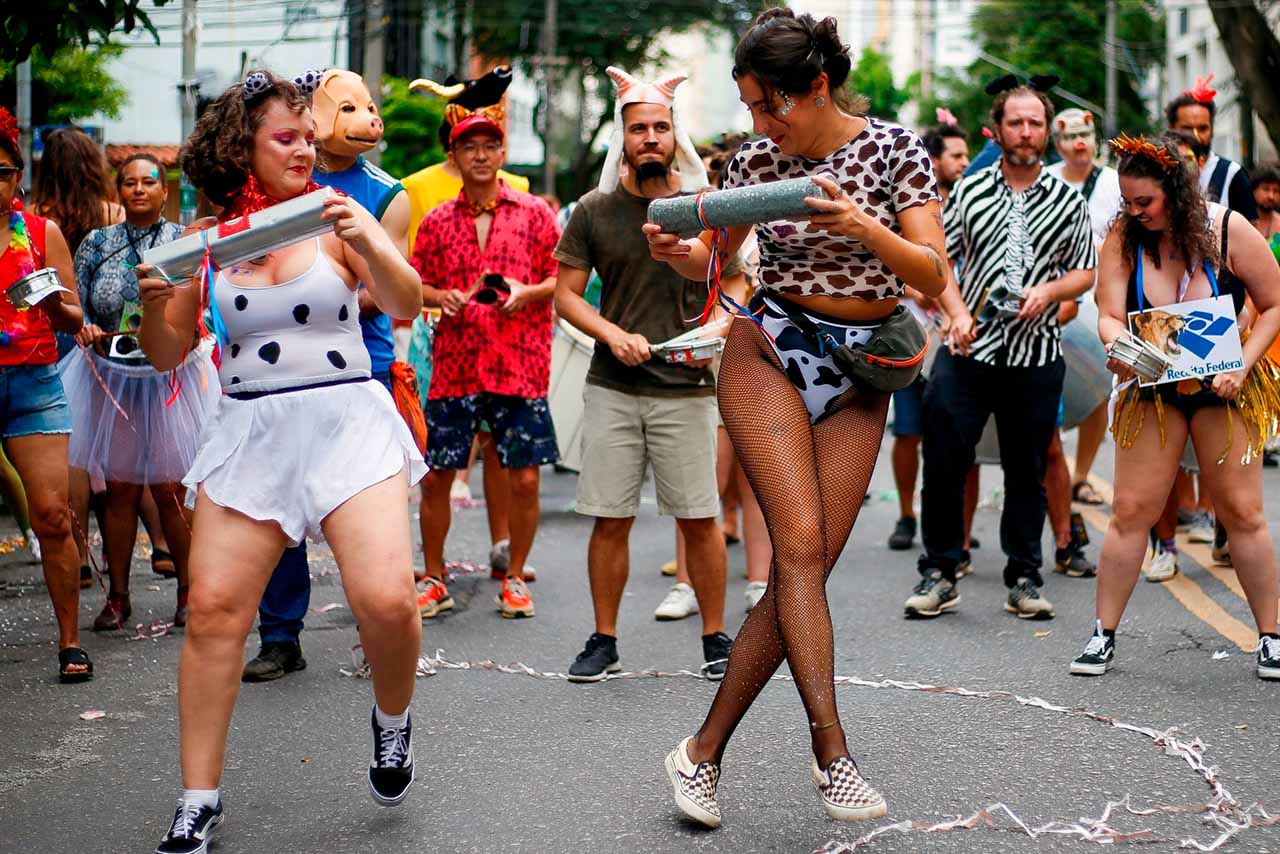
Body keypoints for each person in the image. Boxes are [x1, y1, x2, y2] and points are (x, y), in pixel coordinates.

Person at [645, 9, 948, 825]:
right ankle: (833, 754)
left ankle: (699, 754)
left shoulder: (894, 151)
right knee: (801, 550)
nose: (758, 122)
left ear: (817, 87)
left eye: (769, 104)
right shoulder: (754, 156)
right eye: (747, 106)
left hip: (862, 368)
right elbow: (719, 246)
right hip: (770, 347)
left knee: (802, 571)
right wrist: (687, 250)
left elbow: (930, 268)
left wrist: (860, 223)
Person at [135, 71, 425, 853]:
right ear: (242, 149)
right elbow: (166, 356)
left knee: (388, 600)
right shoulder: (203, 240)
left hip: (344, 419)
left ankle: (392, 722)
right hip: (251, 428)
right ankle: (199, 799)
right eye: (287, 138)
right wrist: (156, 298)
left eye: (308, 135)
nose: (307, 148)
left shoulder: (334, 215)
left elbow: (406, 302)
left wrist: (367, 238)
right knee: (214, 613)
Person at [1069, 132, 1280, 681]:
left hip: (1224, 386)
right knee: (1131, 511)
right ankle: (1102, 634)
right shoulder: (1123, 235)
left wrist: (1244, 364)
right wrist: (1119, 345)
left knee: (1242, 513)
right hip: (1152, 385)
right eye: (1128, 202)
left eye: (1146, 202)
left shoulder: (1228, 227)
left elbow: (1275, 303)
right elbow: (1109, 311)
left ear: (1178, 195)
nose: (1136, 212)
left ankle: (1272, 637)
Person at [556, 64, 735, 682]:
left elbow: (737, 278)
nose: (651, 138)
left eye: (661, 126)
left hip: (686, 387)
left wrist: (716, 324)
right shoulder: (595, 209)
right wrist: (611, 334)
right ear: (623, 138)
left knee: (699, 518)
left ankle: (716, 637)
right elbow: (568, 296)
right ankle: (603, 640)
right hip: (613, 385)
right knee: (610, 518)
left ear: (674, 133)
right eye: (640, 128)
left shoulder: (706, 207)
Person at [242, 68, 413, 683]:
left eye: (369, 106)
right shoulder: (260, 196)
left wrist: (332, 281)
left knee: (363, 510)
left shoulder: (385, 194)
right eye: (348, 106)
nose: (366, 118)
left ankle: (380, 626)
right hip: (271, 375)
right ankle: (280, 634)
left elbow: (392, 286)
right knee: (276, 507)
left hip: (356, 367)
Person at [908, 78, 1096, 621]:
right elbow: (940, 265)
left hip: (1035, 357)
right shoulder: (969, 189)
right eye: (1016, 121)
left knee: (1027, 470)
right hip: (969, 352)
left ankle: (1025, 578)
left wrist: (1051, 291)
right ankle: (940, 572)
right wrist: (958, 315)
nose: (1026, 131)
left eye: (1035, 122)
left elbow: (1084, 271)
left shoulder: (1067, 198)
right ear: (1000, 127)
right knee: (943, 460)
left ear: (1047, 130)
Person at [412, 106, 560, 621]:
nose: (480, 155)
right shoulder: (434, 221)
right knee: (436, 476)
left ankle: (515, 576)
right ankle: (434, 577)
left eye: (489, 146)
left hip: (519, 362)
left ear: (502, 153)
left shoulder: (535, 213)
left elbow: (563, 278)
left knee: (524, 477)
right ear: (453, 156)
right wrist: (440, 296)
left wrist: (527, 291)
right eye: (468, 147)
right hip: (454, 363)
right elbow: (413, 284)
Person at [63, 153, 214, 633]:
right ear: (118, 191)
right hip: (112, 375)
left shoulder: (181, 240)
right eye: (129, 183)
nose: (139, 190)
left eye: (149, 182)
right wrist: (83, 328)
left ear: (164, 191)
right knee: (121, 491)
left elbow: (200, 303)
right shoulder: (97, 243)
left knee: (171, 487)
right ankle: (118, 597)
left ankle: (189, 591)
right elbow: (79, 306)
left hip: (170, 374)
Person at [404, 65, 529, 570]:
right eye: (469, 133)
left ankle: (504, 547)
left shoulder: (517, 186)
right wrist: (436, 300)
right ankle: (434, 564)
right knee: (438, 452)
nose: (480, 148)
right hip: (436, 334)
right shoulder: (416, 188)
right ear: (452, 138)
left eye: (490, 132)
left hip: (502, 333)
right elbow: (408, 268)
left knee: (499, 446)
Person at [0, 107, 90, 683]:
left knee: (53, 515)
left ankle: (69, 641)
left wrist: (53, 303)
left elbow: (75, 314)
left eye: (2, 171)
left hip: (34, 378)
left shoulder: (40, 233)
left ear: (17, 177)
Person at [32, 126, 129, 587]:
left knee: (70, 454)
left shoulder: (34, 219)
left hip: (56, 337)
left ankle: (79, 557)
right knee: (116, 446)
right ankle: (145, 553)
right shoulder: (112, 212)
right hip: (103, 335)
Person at [887, 120, 969, 552]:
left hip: (956, 337)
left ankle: (958, 525)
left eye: (967, 155)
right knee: (908, 432)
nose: (964, 163)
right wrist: (915, 285)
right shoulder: (904, 202)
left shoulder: (971, 203)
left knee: (957, 434)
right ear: (933, 161)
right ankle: (906, 514)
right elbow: (881, 262)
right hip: (910, 334)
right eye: (956, 155)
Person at [1166, 76, 1259, 223]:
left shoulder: (1232, 173)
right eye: (1187, 128)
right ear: (1172, 129)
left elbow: (1251, 235)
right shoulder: (1158, 171)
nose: (1196, 136)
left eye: (1202, 128)